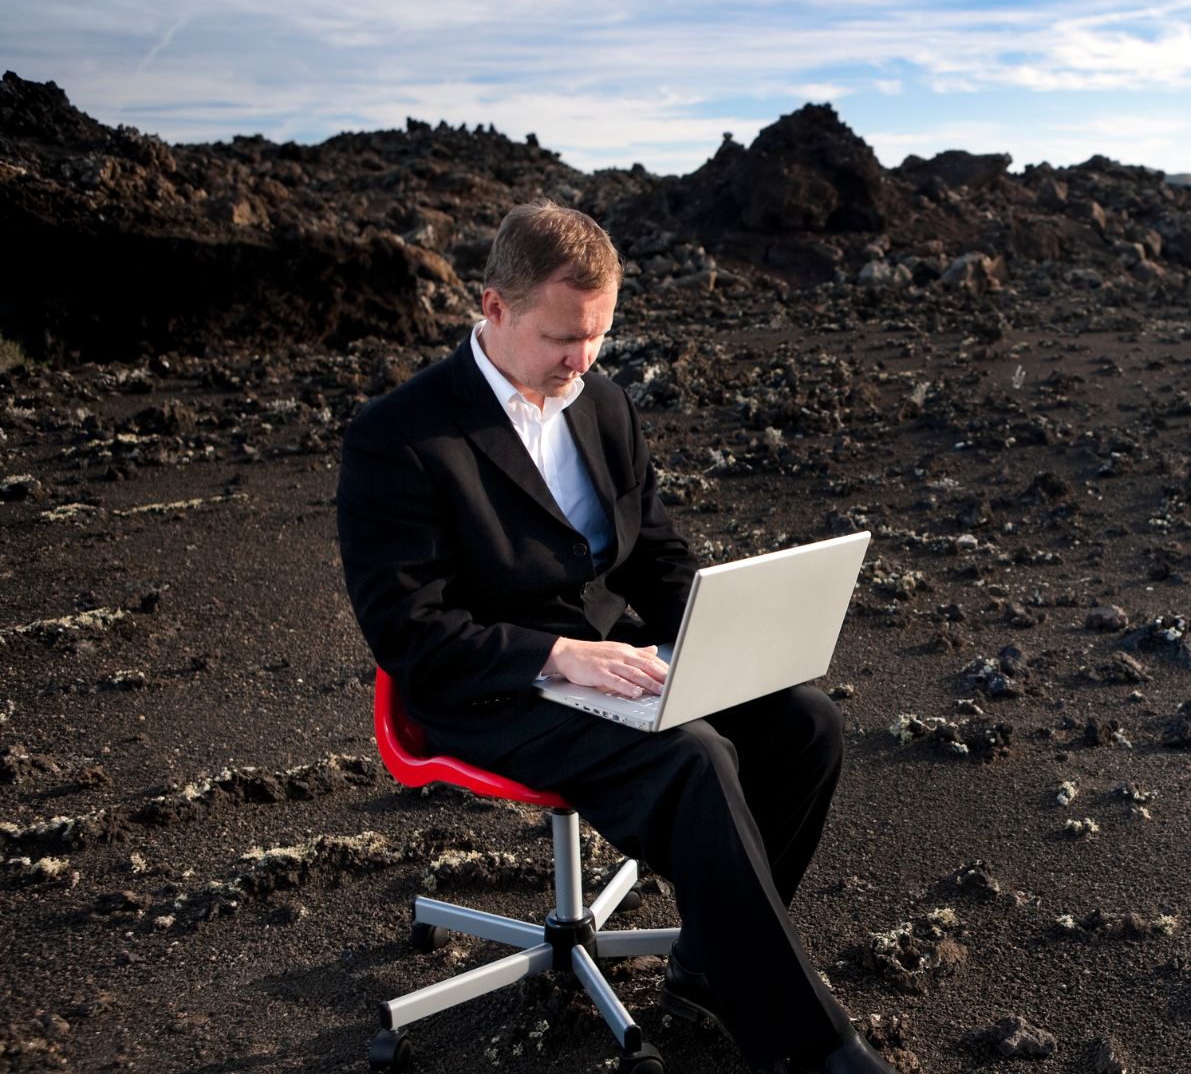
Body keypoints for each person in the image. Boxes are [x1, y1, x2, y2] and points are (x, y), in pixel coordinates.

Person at [337, 199, 896, 1074]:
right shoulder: (399, 438)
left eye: (599, 335)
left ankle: (710, 965)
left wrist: (725, 642)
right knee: (693, 757)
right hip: (485, 687)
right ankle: (805, 1047)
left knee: (802, 724)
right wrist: (559, 656)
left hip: (609, 662)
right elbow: (411, 633)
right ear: (494, 308)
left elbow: (654, 556)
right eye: (564, 337)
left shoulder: (600, 402)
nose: (584, 359)